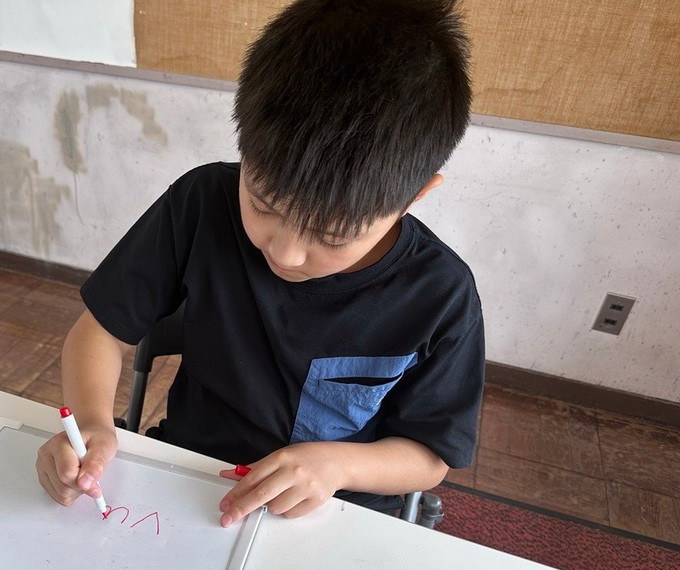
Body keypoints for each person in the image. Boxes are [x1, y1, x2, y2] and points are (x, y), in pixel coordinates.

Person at [36, 0, 483, 528]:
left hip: (336, 511)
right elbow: (101, 331)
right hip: (192, 478)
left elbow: (431, 455)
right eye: (264, 207)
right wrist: (91, 423)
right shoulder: (203, 203)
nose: (284, 253)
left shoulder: (440, 294)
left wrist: (336, 465)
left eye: (332, 235)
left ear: (415, 196)